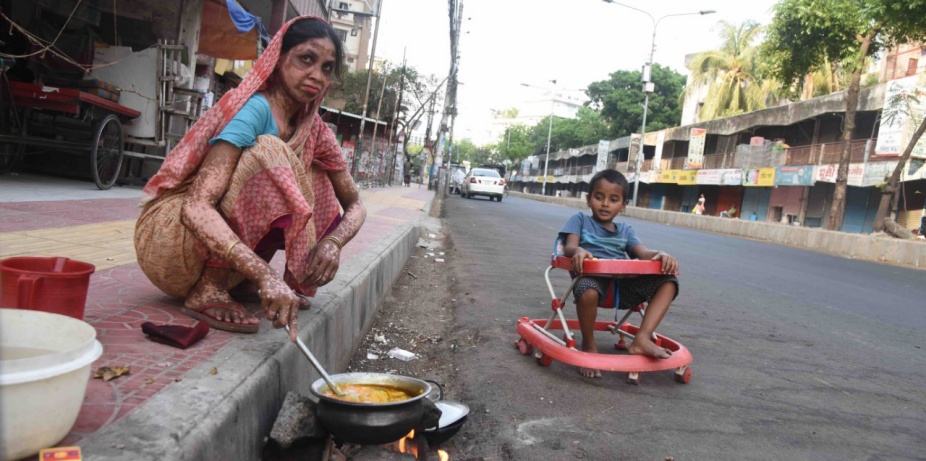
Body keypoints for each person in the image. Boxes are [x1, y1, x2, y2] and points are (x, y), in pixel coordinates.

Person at [134, 16, 366, 342]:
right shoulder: (256, 110)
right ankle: (208, 289)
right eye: (306, 59)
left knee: (314, 175)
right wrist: (266, 274)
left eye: (327, 68)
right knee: (270, 153)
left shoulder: (314, 128)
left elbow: (355, 204)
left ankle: (241, 283)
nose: (316, 75)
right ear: (279, 58)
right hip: (172, 245)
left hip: (234, 263)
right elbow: (196, 207)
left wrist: (333, 242)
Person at [559, 170, 679, 378]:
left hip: (622, 289)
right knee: (587, 289)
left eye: (613, 199)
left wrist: (659, 254)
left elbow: (642, 253)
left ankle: (642, 338)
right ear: (589, 200)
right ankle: (589, 344)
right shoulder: (579, 220)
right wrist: (578, 251)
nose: (605, 204)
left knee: (668, 281)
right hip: (591, 283)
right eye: (599, 197)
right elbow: (569, 247)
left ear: (623, 205)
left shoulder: (625, 231)